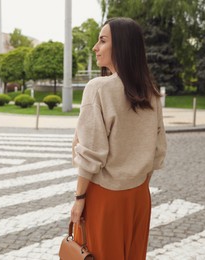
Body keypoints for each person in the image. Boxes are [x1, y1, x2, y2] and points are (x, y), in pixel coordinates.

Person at [70, 17, 167, 260]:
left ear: (121, 47)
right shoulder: (151, 92)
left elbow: (91, 151)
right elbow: (157, 149)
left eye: (102, 41)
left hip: (105, 197)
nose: (95, 47)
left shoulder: (99, 88)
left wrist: (79, 199)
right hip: (139, 196)